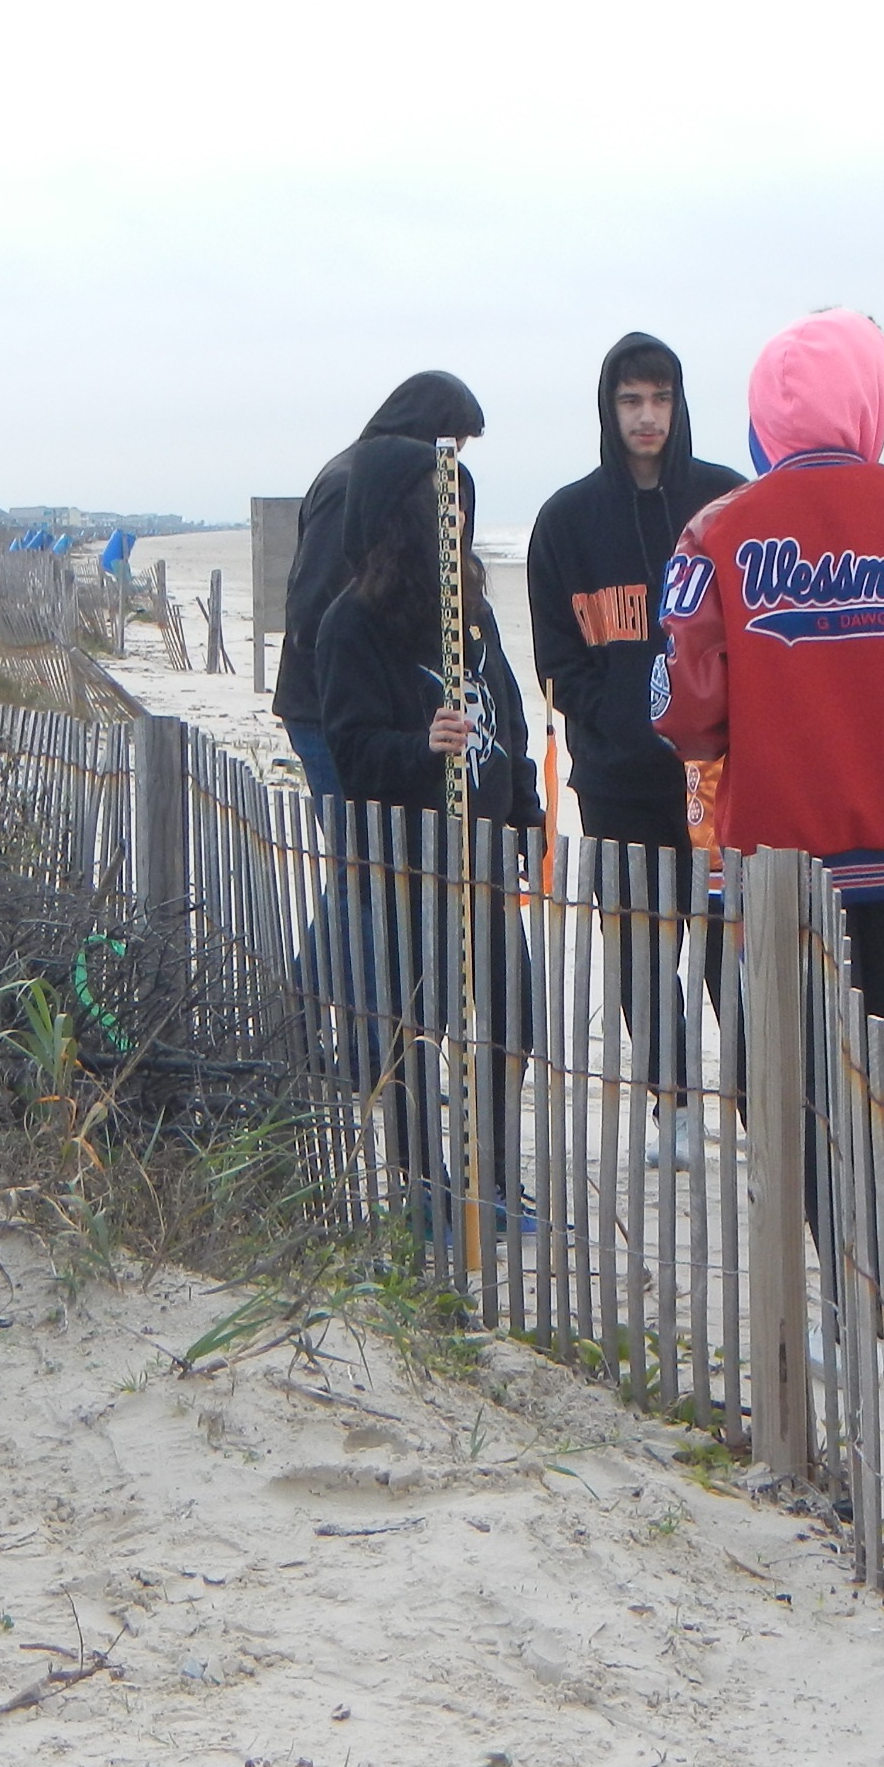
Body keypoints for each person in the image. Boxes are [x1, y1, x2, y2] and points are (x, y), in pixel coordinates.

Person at [652, 308, 884, 1070]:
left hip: (778, 863)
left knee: (792, 1079)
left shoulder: (715, 532)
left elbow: (683, 715)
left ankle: (811, 1197)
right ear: (870, 399)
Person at [526, 332, 744, 1162]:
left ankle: (762, 1108)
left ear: (679, 404)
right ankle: (674, 1108)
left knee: (731, 943)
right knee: (644, 948)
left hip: (719, 777)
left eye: (659, 399)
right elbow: (557, 658)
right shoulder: (567, 520)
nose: (646, 417)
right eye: (630, 401)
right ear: (609, 409)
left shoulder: (727, 504)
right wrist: (613, 722)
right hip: (618, 779)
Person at [314, 434, 542, 1227]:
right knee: (417, 1030)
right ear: (400, 518)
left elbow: (508, 716)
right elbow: (348, 749)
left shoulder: (472, 611)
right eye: (442, 508)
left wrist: (528, 814)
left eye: (466, 510)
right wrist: (422, 748)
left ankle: (496, 1184)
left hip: (483, 857)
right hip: (409, 864)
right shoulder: (353, 623)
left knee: (512, 1022)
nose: (457, 524)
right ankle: (424, 1188)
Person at [272, 373, 486, 798]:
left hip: (382, 707)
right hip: (328, 706)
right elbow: (311, 610)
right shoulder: (348, 485)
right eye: (451, 446)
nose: (450, 465)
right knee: (359, 852)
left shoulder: (362, 475)